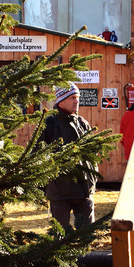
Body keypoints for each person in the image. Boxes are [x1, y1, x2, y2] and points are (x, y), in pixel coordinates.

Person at [40, 83, 97, 230]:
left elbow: (93, 153)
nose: (77, 101)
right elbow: (38, 154)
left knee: (86, 236)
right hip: (60, 193)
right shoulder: (49, 123)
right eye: (72, 97)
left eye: (77, 97)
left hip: (84, 191)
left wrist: (92, 179)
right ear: (62, 101)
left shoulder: (82, 123)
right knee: (61, 238)